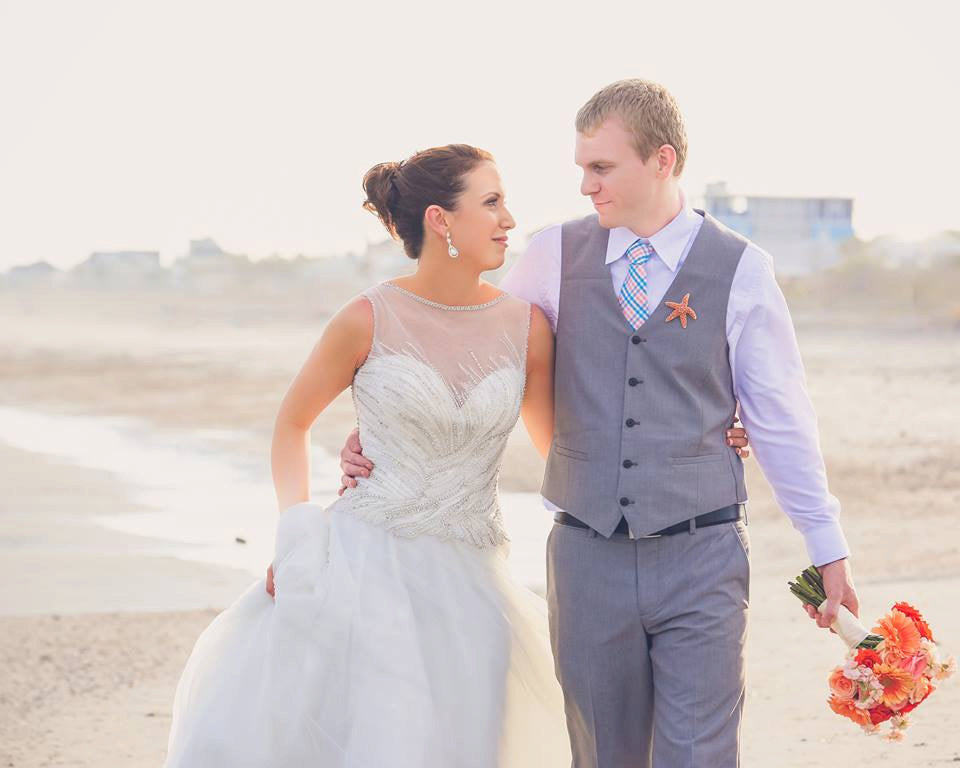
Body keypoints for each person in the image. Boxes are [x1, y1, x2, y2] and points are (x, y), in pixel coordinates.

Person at [165, 143, 752, 766]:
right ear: (441, 221)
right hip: (366, 568)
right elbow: (291, 425)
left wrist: (706, 427)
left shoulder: (527, 327)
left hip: (473, 583)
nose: (508, 220)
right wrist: (296, 533)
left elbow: (569, 445)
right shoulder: (366, 317)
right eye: (492, 202)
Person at [339, 79, 856, 767]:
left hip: (702, 558)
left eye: (601, 168)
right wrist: (384, 428)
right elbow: (476, 350)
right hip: (586, 559)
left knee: (701, 755)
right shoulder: (553, 256)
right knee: (603, 757)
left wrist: (828, 548)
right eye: (582, 167)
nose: (585, 185)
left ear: (662, 161)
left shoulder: (742, 271)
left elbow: (782, 417)